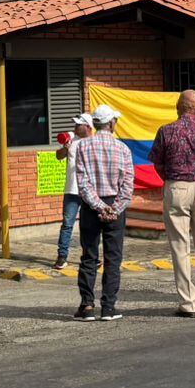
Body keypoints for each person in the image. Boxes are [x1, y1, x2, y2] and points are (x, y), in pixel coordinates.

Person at [150, 90, 195, 317]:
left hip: (177, 186)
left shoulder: (166, 130)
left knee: (180, 247)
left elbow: (157, 162)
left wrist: (172, 180)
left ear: (178, 107)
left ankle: (188, 303)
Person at [70, 105, 134, 322]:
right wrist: (113, 209)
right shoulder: (122, 148)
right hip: (115, 205)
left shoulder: (82, 146)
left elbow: (83, 183)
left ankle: (87, 306)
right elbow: (127, 185)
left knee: (89, 256)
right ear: (111, 123)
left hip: (91, 206)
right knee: (112, 258)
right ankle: (108, 307)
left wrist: (99, 206)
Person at [51, 114, 93, 269]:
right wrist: (65, 148)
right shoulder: (71, 140)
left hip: (89, 190)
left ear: (87, 127)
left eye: (78, 125)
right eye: (74, 125)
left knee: (89, 226)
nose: (75, 127)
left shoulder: (94, 142)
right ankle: (62, 257)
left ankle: (91, 257)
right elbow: (58, 156)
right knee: (67, 224)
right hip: (71, 190)